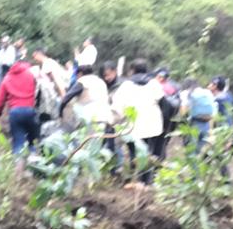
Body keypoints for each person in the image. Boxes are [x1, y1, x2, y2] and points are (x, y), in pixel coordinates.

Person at [110, 58, 166, 186]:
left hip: (132, 127)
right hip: (152, 126)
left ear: (132, 70)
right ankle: (146, 181)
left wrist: (113, 122)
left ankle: (136, 180)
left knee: (133, 153)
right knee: (148, 153)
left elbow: (117, 107)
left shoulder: (126, 85)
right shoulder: (154, 84)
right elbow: (163, 103)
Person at [0, 58, 40, 157]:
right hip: (30, 111)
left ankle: (19, 170)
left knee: (18, 142)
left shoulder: (7, 78)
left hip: (15, 113)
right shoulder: (30, 75)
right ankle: (34, 165)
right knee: (32, 141)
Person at [57, 63, 114, 130]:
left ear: (80, 74)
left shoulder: (82, 81)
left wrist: (60, 113)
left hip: (90, 120)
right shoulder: (101, 81)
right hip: (105, 119)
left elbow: (65, 99)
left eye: (76, 76)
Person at [182, 76, 218, 150]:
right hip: (206, 124)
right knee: (201, 150)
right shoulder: (207, 92)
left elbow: (183, 112)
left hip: (194, 124)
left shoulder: (187, 93)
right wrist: (211, 130)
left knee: (191, 150)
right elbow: (214, 112)